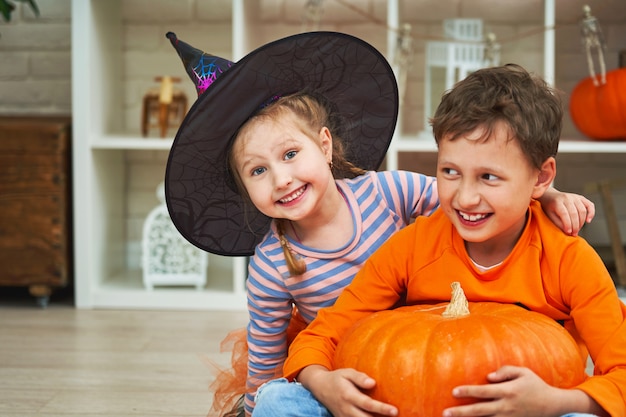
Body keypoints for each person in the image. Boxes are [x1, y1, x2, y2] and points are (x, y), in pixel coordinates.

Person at [165, 32, 596, 417]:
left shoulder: (386, 193)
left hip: (426, 350)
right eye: (257, 171)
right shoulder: (272, 265)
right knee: (279, 402)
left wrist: (548, 195)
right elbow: (266, 355)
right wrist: (261, 405)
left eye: (290, 155)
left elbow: (472, 200)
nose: (282, 179)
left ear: (325, 145)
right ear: (243, 185)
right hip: (340, 369)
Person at [252, 64, 625, 417]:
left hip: (528, 411)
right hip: (413, 403)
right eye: (450, 171)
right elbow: (321, 335)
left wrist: (555, 402)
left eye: (489, 177)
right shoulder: (413, 246)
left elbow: (622, 372)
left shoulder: (569, 259)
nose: (464, 198)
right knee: (277, 400)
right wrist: (323, 382)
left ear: (541, 178)